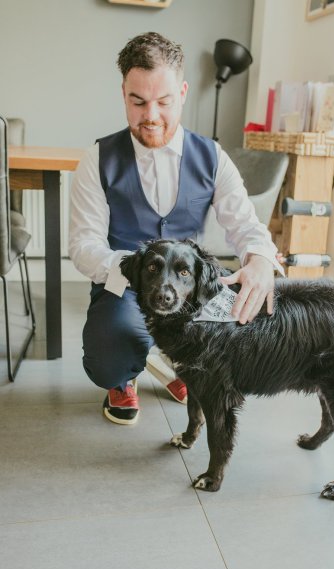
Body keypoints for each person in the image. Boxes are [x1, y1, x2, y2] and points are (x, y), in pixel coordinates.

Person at [69, 32, 283, 426]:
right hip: (125, 287)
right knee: (108, 359)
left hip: (188, 290)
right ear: (123, 94)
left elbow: (246, 224)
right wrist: (139, 269)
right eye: (138, 101)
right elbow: (84, 245)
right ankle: (128, 373)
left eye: (164, 101)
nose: (151, 115)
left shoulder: (212, 157)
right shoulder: (96, 159)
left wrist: (261, 259)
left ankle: (180, 362)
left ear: (182, 93)